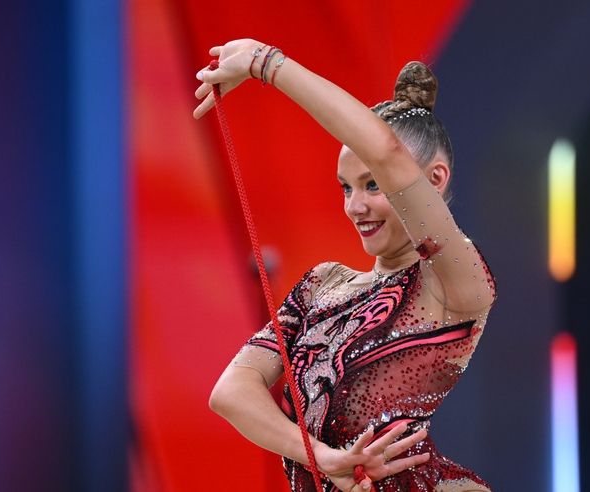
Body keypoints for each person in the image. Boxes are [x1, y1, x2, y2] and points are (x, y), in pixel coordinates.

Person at [194, 39, 496, 492]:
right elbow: (231, 393)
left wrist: (269, 65)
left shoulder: (457, 282)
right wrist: (324, 458)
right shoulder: (323, 283)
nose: (355, 207)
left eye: (372, 185)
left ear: (433, 180)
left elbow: (387, 151)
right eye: (345, 188)